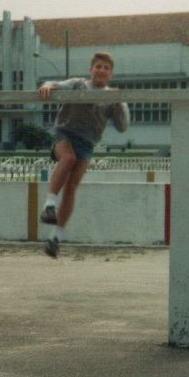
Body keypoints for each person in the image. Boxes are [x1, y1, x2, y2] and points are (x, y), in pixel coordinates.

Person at [37, 51, 129, 258]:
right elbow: (55, 85)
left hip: (87, 144)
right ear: (91, 70)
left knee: (71, 186)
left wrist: (119, 100)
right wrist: (46, 86)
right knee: (68, 158)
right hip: (65, 135)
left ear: (111, 74)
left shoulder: (111, 96)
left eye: (106, 68)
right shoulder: (78, 84)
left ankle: (55, 238)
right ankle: (49, 206)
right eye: (98, 66)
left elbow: (122, 126)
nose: (101, 70)